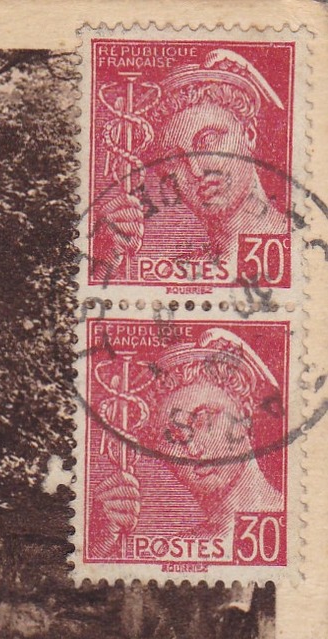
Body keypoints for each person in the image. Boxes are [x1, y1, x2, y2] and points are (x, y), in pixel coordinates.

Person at [93, 48, 288, 281]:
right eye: (174, 161)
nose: (195, 171)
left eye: (208, 140)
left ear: (248, 133)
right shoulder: (181, 273)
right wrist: (106, 261)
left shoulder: (307, 247)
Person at [97, 327, 284, 547]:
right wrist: (101, 541)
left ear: (244, 414)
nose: (193, 451)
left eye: (204, 418)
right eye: (172, 436)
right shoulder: (181, 546)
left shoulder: (296, 522)